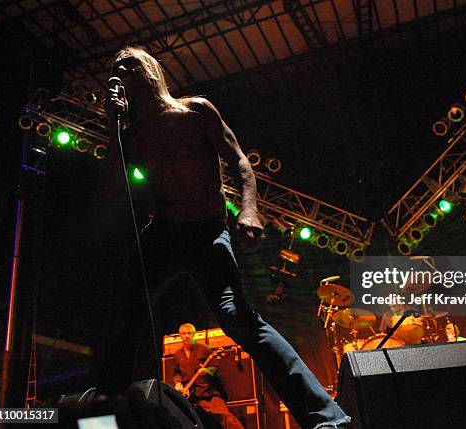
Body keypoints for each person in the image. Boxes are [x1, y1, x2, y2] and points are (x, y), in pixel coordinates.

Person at [99, 46, 350, 429]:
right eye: (116, 70)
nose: (121, 74)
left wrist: (249, 209)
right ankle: (102, 421)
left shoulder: (195, 111)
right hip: (162, 233)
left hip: (207, 232)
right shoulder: (131, 135)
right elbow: (114, 186)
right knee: (124, 319)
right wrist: (111, 125)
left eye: (129, 66)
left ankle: (326, 418)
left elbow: (239, 161)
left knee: (239, 320)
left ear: (150, 72)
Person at [172, 323, 243, 429]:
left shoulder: (203, 349)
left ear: (194, 335)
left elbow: (215, 367)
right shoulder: (178, 355)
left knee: (227, 419)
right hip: (189, 397)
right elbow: (176, 372)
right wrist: (178, 383)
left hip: (207, 394)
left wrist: (206, 371)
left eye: (189, 333)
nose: (186, 336)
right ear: (180, 335)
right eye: (184, 333)